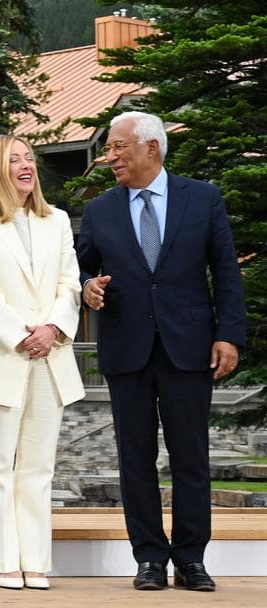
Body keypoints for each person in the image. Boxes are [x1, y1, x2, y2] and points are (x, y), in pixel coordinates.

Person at [77, 111, 245, 592]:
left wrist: (229, 334)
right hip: (126, 348)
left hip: (189, 347)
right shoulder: (101, 209)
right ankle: (149, 558)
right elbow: (79, 267)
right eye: (109, 149)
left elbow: (226, 272)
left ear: (151, 148)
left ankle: (191, 559)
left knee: (190, 457)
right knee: (135, 459)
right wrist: (87, 287)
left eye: (118, 147)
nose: (110, 157)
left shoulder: (204, 198)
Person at [0, 135, 84, 590]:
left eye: (29, 157)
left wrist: (52, 330)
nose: (26, 165)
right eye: (14, 160)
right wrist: (21, 334)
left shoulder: (59, 220)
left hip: (51, 357)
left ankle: (34, 559)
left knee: (38, 466)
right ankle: (3, 559)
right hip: (1, 355)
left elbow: (71, 284)